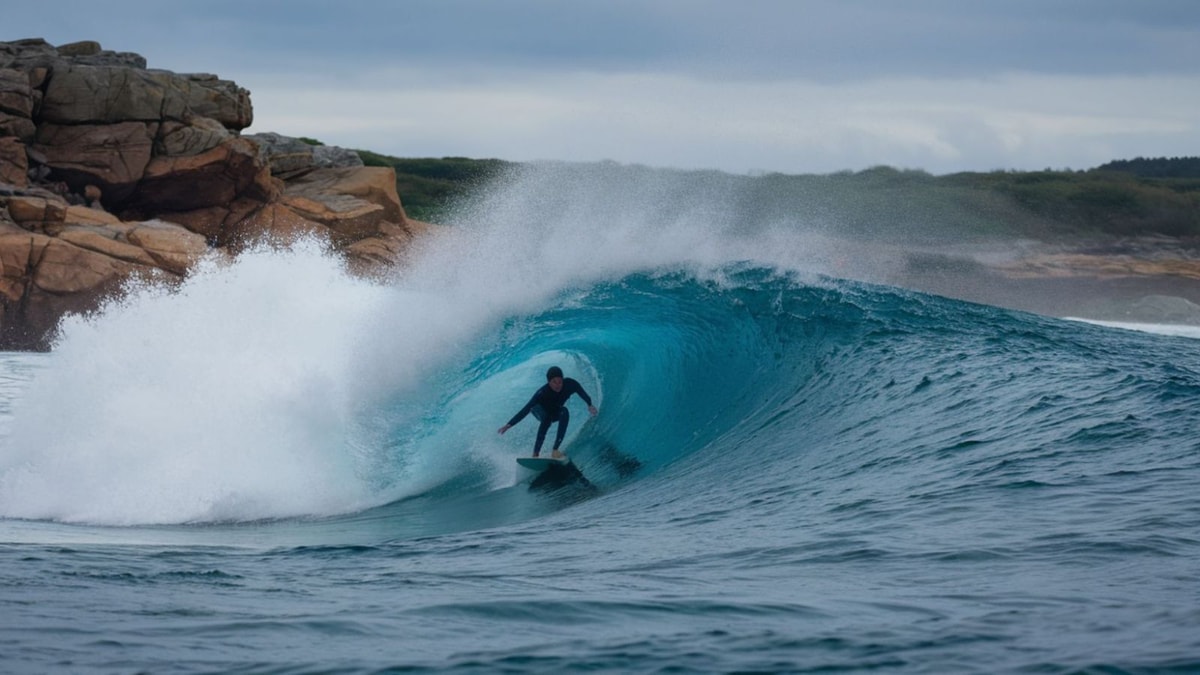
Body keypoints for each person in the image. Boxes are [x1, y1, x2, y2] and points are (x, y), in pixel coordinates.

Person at [498, 366, 597, 458]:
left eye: (560, 382)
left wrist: (589, 404)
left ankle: (555, 450)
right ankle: (535, 453)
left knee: (564, 411)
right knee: (547, 418)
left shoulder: (570, 384)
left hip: (556, 410)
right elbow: (526, 409)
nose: (558, 385)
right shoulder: (542, 393)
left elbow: (581, 391)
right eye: (554, 382)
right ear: (549, 381)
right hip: (539, 411)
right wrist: (509, 424)